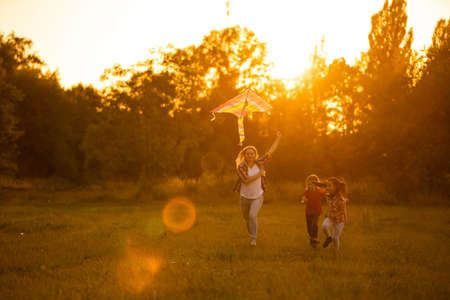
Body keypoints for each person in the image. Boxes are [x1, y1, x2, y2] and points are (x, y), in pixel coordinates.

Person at [234, 131, 282, 246]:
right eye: (248, 154)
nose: (250, 155)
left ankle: (253, 239)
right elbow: (246, 180)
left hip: (257, 196)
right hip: (244, 197)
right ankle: (252, 233)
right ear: (244, 155)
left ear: (255, 155)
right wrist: (260, 173)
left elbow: (270, 152)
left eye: (252, 154)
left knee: (252, 216)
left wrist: (278, 138)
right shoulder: (241, 166)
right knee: (247, 219)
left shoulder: (259, 162)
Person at [301, 174, 327, 248]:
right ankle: (312, 239)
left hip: (317, 211)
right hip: (308, 212)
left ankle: (314, 238)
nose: (311, 186)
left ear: (316, 184)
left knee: (314, 225)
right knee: (309, 228)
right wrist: (304, 200)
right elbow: (303, 197)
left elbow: (326, 193)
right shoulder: (307, 191)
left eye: (313, 184)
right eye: (309, 184)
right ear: (307, 184)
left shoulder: (319, 191)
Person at [322, 177, 348, 250]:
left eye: (329, 185)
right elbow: (330, 205)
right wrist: (328, 212)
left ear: (335, 187)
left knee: (335, 237)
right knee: (324, 226)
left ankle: (336, 251)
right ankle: (328, 238)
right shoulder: (328, 196)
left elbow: (342, 210)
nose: (327, 187)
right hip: (331, 217)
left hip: (340, 220)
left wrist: (335, 215)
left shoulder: (340, 198)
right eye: (327, 185)